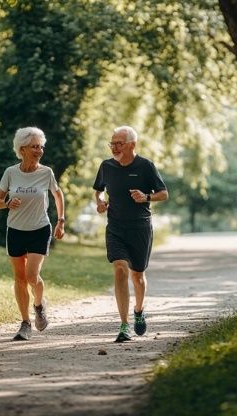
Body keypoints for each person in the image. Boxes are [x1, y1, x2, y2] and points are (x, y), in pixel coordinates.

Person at [93, 126, 168, 343]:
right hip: (115, 227)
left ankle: (139, 310)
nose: (114, 147)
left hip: (140, 228)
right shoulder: (106, 166)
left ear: (132, 145)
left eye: (119, 143)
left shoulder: (145, 166)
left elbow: (163, 193)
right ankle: (124, 324)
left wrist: (146, 197)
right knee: (119, 269)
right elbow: (98, 189)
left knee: (138, 276)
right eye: (112, 143)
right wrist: (99, 202)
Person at [0, 127, 65, 341]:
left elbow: (58, 194)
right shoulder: (10, 172)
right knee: (19, 278)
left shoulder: (46, 173)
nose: (40, 150)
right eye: (35, 146)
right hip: (15, 230)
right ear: (22, 149)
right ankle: (25, 323)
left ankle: (39, 305)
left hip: (39, 229)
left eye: (41, 146)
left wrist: (61, 221)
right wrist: (7, 203)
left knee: (32, 276)